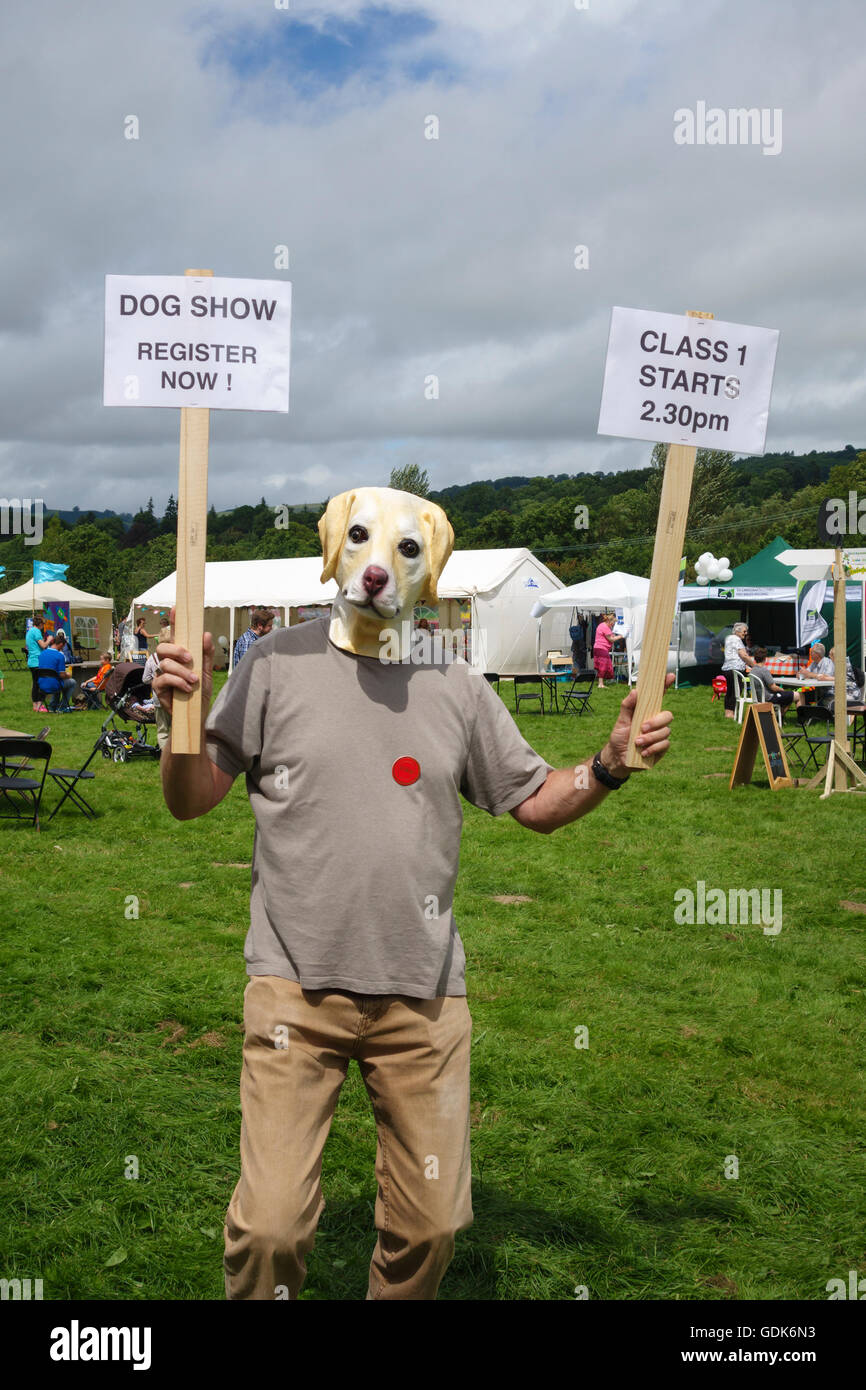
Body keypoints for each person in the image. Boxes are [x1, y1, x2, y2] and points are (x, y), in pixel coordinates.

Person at [153, 485, 675, 1302]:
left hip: (423, 1000)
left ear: (430, 571)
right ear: (332, 550)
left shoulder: (457, 685)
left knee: (432, 1224)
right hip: (294, 990)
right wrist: (176, 725)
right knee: (269, 1229)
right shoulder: (272, 663)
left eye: (403, 551)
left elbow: (534, 801)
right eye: (359, 541)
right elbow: (190, 800)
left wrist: (606, 766)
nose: (374, 568)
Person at [720, 621, 756, 718]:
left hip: (727, 668)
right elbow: (743, 655)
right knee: (736, 690)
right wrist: (754, 666)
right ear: (737, 631)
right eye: (744, 631)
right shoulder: (736, 639)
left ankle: (728, 712)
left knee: (730, 691)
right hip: (735, 669)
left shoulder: (729, 638)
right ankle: (731, 713)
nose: (746, 633)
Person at [749, 647, 794, 714]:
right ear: (765, 658)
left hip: (758, 697)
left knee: (787, 696)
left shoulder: (752, 670)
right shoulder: (764, 670)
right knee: (795, 695)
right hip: (768, 698)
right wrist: (782, 689)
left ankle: (779, 715)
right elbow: (773, 687)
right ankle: (780, 716)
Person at [37, 635, 76, 712]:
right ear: (61, 644)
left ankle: (52, 706)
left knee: (56, 680)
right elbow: (61, 675)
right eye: (63, 646)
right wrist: (68, 675)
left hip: (41, 684)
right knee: (72, 682)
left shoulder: (42, 653)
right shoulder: (59, 656)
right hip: (54, 685)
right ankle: (63, 706)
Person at [794, 643, 834, 709]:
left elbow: (826, 677)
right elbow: (806, 673)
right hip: (817, 691)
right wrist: (801, 674)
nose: (810, 654)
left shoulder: (828, 662)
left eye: (811, 652)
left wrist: (808, 674)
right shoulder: (814, 663)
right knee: (799, 693)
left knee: (801, 694)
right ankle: (804, 716)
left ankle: (808, 715)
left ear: (817, 654)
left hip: (828, 692)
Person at [26, 617, 51, 712]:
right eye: (43, 624)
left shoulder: (30, 631)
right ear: (40, 624)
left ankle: (35, 705)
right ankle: (40, 705)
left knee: (36, 684)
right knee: (42, 684)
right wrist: (49, 639)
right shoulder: (36, 632)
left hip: (32, 661)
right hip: (37, 661)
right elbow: (43, 646)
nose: (43, 626)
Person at [592, 611, 616, 689]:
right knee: (603, 665)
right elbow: (611, 639)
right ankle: (600, 684)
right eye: (613, 622)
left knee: (604, 665)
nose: (613, 624)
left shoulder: (602, 625)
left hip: (599, 648)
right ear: (609, 620)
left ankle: (602, 682)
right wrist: (622, 636)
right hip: (601, 649)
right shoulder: (604, 627)